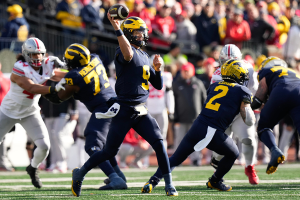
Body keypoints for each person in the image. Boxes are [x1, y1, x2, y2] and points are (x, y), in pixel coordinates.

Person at [66, 15, 178, 197]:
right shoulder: (122, 52)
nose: (142, 35)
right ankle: (80, 172)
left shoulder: (144, 55)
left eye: (143, 32)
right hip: (125, 109)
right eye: (137, 33)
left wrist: (158, 69)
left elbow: (157, 84)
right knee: (109, 151)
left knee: (159, 144)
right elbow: (128, 54)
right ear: (128, 34)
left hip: (141, 110)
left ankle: (169, 184)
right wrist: (117, 28)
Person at [141, 59, 255, 192]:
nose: (243, 77)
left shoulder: (214, 85)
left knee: (176, 157)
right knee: (233, 153)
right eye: (241, 75)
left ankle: (152, 182)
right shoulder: (242, 90)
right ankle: (215, 180)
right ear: (235, 74)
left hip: (198, 125)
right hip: (213, 131)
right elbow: (247, 119)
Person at [43, 43, 127, 192]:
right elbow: (71, 75)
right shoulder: (95, 58)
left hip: (103, 109)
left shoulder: (75, 77)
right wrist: (50, 73)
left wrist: (41, 88)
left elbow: (59, 97)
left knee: (92, 145)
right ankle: (119, 175)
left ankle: (114, 178)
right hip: (115, 104)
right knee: (105, 145)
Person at [0, 37, 67, 188]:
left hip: (30, 111)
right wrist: (54, 88)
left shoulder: (47, 65)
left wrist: (77, 73)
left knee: (44, 145)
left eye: (40, 54)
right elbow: (32, 87)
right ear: (25, 54)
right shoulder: (19, 66)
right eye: (34, 55)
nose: (37, 58)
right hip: (9, 111)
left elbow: (56, 74)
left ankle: (33, 168)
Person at [209, 44, 260, 185]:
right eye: (226, 62)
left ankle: (249, 166)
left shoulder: (249, 69)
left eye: (232, 62)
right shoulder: (217, 73)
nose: (229, 65)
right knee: (220, 151)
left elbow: (253, 90)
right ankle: (217, 167)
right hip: (223, 112)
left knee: (248, 139)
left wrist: (246, 104)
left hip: (240, 111)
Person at [250, 56, 300, 174]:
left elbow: (258, 99)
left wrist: (246, 107)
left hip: (281, 91)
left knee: (263, 127)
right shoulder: (294, 71)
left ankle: (275, 150)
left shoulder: (267, 71)